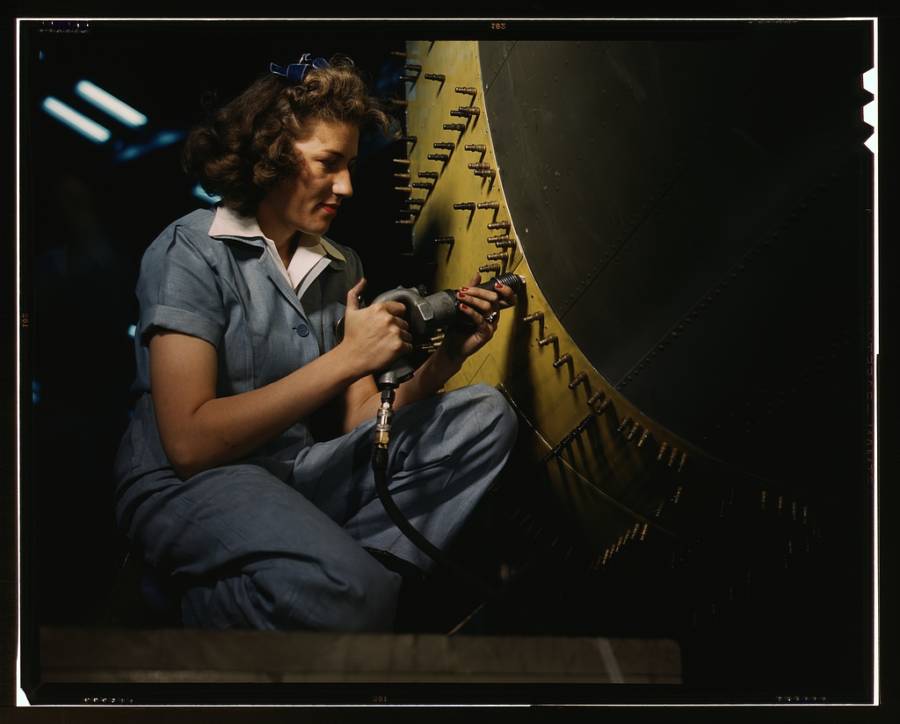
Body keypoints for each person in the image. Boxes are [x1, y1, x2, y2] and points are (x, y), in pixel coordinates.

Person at [112, 53, 518, 631]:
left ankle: (361, 589)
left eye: (350, 165)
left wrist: (447, 357)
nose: (347, 185)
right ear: (272, 154)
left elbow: (361, 425)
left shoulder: (338, 265)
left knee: (484, 415)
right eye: (330, 163)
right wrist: (349, 358)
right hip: (191, 485)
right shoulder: (192, 249)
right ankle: (190, 608)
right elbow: (190, 444)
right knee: (352, 596)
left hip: (295, 475)